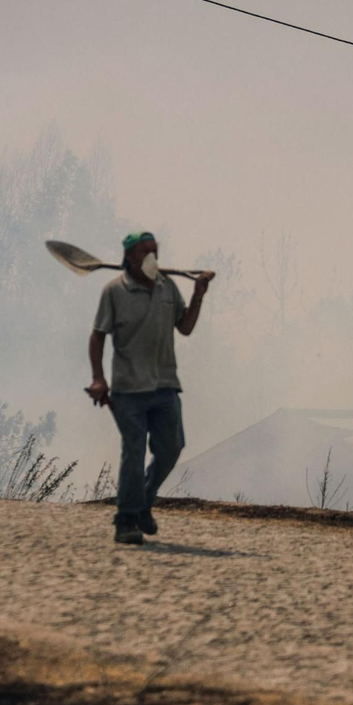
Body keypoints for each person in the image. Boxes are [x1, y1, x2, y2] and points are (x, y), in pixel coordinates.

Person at [87, 231, 214, 545]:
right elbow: (97, 336)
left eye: (155, 252)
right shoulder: (114, 292)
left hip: (165, 386)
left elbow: (184, 327)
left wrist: (199, 294)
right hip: (128, 389)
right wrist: (99, 379)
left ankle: (142, 503)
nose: (152, 259)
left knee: (172, 448)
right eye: (145, 253)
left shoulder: (167, 287)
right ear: (129, 257)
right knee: (134, 450)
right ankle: (126, 520)